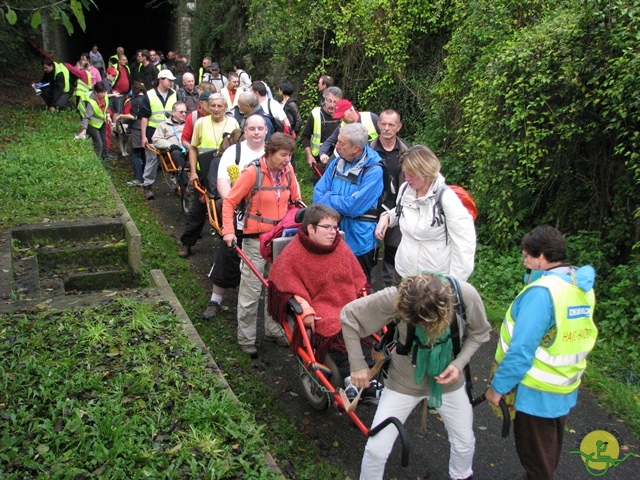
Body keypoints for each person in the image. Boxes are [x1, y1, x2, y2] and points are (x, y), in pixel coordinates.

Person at [341, 273, 491, 480]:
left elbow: (479, 333)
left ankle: (462, 476)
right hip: (404, 380)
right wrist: (357, 363)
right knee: (377, 448)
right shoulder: (396, 297)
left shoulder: (465, 295)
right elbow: (349, 316)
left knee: (464, 440)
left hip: (449, 381)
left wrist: (458, 364)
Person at [485, 226, 597, 480]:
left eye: (526, 257)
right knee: (547, 455)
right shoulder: (580, 286)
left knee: (537, 465)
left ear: (542, 257)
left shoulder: (542, 294)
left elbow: (521, 350)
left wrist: (498, 387)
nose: (525, 262)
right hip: (564, 388)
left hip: (534, 392)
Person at [267, 204, 381, 402]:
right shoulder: (293, 253)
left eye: (335, 227)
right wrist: (304, 305)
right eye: (327, 227)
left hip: (345, 300)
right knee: (336, 326)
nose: (333, 233)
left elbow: (356, 276)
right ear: (310, 228)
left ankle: (366, 375)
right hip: (320, 306)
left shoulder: (339, 246)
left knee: (363, 319)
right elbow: (286, 284)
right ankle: (351, 378)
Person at [222, 133, 301, 357]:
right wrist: (228, 230)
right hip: (255, 241)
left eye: (290, 155)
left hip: (280, 241)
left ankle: (274, 330)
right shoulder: (252, 172)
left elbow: (296, 201)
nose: (287, 160)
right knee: (251, 290)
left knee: (277, 290)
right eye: (283, 155)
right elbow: (229, 202)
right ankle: (246, 339)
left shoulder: (288, 172)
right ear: (270, 153)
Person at [375, 145, 476, 282]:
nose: (406, 179)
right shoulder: (406, 189)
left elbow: (464, 244)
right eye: (405, 173)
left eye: (411, 175)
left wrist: (454, 282)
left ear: (426, 173)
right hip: (403, 273)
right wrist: (387, 217)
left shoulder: (447, 199)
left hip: (433, 281)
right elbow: (400, 212)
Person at [201, 114, 268, 319]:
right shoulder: (233, 152)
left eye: (260, 128)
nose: (256, 132)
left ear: (266, 130)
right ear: (245, 130)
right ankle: (216, 299)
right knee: (228, 255)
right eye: (252, 128)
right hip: (239, 217)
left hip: (267, 221)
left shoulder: (272, 152)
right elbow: (222, 182)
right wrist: (234, 203)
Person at [313, 123, 384, 283]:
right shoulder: (337, 163)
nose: (336, 146)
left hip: (360, 241)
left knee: (360, 289)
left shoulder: (374, 170)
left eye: (341, 143)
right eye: (337, 141)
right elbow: (317, 195)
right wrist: (340, 200)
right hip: (333, 235)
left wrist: (329, 197)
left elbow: (354, 207)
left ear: (356, 149)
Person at [178, 93, 240, 257]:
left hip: (226, 169)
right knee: (198, 210)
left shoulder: (233, 122)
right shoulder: (201, 123)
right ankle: (187, 242)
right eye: (213, 106)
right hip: (205, 171)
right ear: (207, 106)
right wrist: (192, 172)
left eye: (220, 106)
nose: (216, 109)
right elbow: (193, 148)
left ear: (225, 107)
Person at [370, 109, 411, 286]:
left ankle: (391, 290)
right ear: (378, 124)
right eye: (383, 124)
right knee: (370, 252)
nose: (386, 128)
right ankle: (368, 290)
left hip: (397, 209)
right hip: (372, 210)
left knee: (394, 251)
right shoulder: (368, 150)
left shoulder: (406, 151)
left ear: (398, 127)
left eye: (391, 125)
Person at [140, 69, 177, 200]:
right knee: (152, 160)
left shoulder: (174, 94)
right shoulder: (149, 95)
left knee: (174, 158)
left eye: (172, 81)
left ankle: (177, 185)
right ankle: (148, 186)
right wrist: (143, 136)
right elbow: (144, 117)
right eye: (169, 80)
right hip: (153, 132)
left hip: (170, 132)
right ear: (161, 80)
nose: (171, 83)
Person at [300, 86, 342, 181]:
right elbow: (305, 136)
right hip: (319, 160)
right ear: (325, 99)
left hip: (339, 158)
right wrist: (309, 156)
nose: (332, 105)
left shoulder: (344, 115)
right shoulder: (316, 114)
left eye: (335, 102)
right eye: (329, 101)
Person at [319, 99, 380, 163]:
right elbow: (329, 141)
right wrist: (322, 154)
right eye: (340, 117)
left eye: (343, 116)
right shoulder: (342, 125)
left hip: (374, 158)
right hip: (354, 161)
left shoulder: (371, 117)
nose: (342, 119)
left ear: (351, 110)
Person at [118, 81, 147, 186]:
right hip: (147, 129)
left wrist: (121, 116)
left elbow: (133, 116)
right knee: (144, 154)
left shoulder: (135, 101)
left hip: (137, 129)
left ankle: (138, 178)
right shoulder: (148, 99)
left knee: (135, 154)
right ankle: (145, 177)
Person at [151, 101, 189, 176]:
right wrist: (170, 146)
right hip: (173, 153)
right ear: (173, 112)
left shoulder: (189, 124)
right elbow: (156, 139)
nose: (184, 114)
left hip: (188, 152)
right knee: (176, 153)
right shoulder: (163, 125)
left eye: (185, 112)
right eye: (181, 112)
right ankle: (184, 179)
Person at [76, 82, 110, 161]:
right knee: (99, 144)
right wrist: (84, 130)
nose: (104, 94)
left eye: (104, 92)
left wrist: (108, 115)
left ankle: (105, 161)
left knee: (104, 143)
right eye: (101, 92)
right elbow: (86, 117)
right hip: (92, 125)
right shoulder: (91, 103)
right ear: (96, 92)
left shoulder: (105, 97)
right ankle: (97, 163)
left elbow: (106, 108)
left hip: (101, 123)